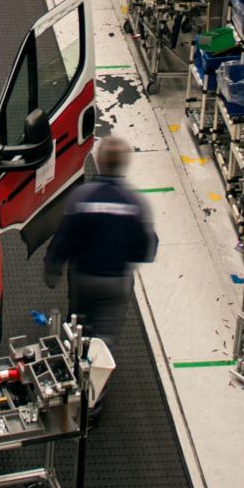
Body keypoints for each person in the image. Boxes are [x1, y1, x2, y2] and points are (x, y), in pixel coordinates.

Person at [43, 137, 157, 351]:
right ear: (124, 164)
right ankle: (98, 362)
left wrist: (52, 268)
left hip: (83, 279)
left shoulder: (82, 197)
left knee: (76, 328)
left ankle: (73, 357)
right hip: (116, 282)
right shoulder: (135, 203)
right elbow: (146, 251)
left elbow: (63, 239)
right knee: (105, 342)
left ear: (99, 161)